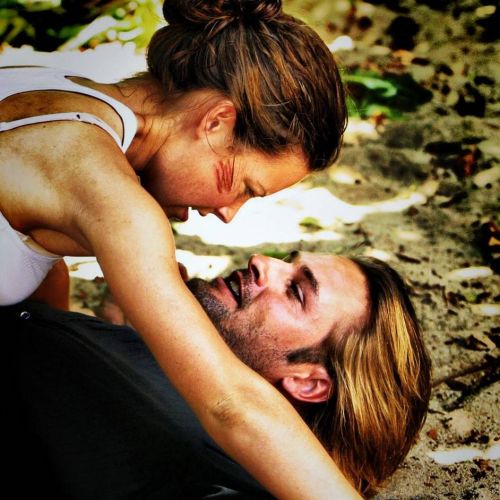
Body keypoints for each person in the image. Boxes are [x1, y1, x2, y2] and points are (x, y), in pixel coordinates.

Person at [0, 1, 355, 496]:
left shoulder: (49, 81)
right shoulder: (114, 200)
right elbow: (229, 405)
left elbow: (29, 257)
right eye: (245, 187)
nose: (229, 213)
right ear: (217, 123)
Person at [3, 252, 432, 498]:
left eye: (295, 291)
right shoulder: (174, 372)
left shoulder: (214, 478)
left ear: (308, 382)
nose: (262, 261)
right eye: (288, 261)